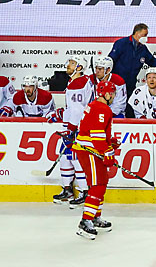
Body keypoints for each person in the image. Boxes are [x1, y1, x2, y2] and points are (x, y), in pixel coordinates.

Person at [73, 79, 121, 240]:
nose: (114, 96)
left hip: (92, 150)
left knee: (101, 183)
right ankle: (85, 221)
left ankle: (95, 216)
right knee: (97, 185)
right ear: (106, 94)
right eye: (112, 93)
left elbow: (96, 131)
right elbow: (96, 135)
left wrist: (110, 143)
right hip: (90, 152)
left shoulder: (95, 106)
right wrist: (108, 152)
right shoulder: (102, 109)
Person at [55, 57, 92, 206]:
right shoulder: (76, 81)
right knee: (65, 157)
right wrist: (61, 114)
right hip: (72, 124)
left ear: (79, 67)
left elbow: (78, 109)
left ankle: (84, 191)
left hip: (78, 127)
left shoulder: (78, 83)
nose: (67, 65)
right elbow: (73, 107)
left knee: (76, 158)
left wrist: (70, 129)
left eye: (72, 63)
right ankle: (68, 190)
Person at [108, 23, 155, 90]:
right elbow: (111, 61)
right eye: (144, 35)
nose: (146, 38)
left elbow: (153, 62)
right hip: (116, 84)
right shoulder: (121, 43)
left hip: (131, 84)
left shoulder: (143, 48)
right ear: (137, 33)